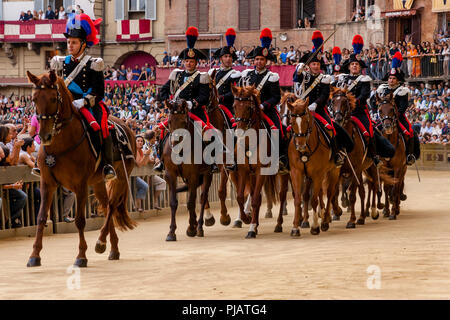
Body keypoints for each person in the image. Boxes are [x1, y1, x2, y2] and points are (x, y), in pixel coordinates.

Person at [49, 13, 116, 180]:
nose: (70, 45)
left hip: (88, 105)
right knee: (46, 122)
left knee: (101, 125)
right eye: (68, 42)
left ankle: (107, 165)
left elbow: (99, 92)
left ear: (83, 44)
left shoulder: (94, 63)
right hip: (65, 105)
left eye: (74, 42)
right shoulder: (60, 62)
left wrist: (84, 101)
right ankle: (43, 161)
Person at [293, 30, 353, 167]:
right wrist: (298, 71)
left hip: (319, 110)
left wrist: (315, 104)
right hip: (302, 110)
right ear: (309, 65)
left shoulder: (324, 79)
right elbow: (296, 79)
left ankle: (336, 153)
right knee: (287, 128)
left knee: (330, 127)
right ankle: (284, 155)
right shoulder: (304, 75)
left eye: (318, 65)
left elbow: (324, 95)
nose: (316, 66)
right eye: (313, 64)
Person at [156, 26, 211, 172]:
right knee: (162, 131)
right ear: (183, 62)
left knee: (207, 133)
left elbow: (204, 97)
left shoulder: (202, 77)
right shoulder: (176, 75)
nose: (189, 64)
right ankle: (161, 159)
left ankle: (211, 161)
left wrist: (192, 103)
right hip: (176, 111)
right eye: (187, 61)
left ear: (196, 63)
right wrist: (165, 100)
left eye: (192, 62)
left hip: (194, 111)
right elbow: (164, 89)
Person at [337, 35, 393, 166]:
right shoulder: (342, 79)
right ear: (349, 66)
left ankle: (373, 155)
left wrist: (352, 104)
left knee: (369, 131)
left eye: (357, 64)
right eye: (353, 64)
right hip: (343, 112)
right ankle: (336, 153)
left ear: (360, 67)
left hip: (359, 111)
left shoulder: (364, 79)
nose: (355, 66)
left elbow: (364, 96)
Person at [241, 28, 288, 173]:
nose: (259, 61)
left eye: (261, 59)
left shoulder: (272, 76)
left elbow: (276, 97)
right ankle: (234, 159)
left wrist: (263, 105)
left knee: (278, 130)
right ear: (253, 61)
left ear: (266, 61)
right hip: (249, 111)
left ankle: (280, 158)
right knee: (235, 130)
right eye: (256, 59)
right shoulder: (247, 75)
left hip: (266, 110)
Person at [373, 51, 420, 165]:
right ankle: (374, 155)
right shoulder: (382, 89)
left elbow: (403, 106)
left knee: (410, 132)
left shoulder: (402, 90)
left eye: (393, 78)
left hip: (398, 117)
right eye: (390, 78)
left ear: (398, 80)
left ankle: (410, 155)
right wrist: (376, 112)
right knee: (372, 131)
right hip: (383, 116)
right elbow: (373, 102)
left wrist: (395, 116)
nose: (391, 80)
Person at [208, 28, 241, 171]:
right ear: (221, 58)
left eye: (230, 57)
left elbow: (235, 92)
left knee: (232, 126)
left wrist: (221, 98)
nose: (228, 59)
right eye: (225, 56)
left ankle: (232, 157)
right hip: (214, 106)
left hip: (228, 106)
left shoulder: (235, 74)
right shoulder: (213, 73)